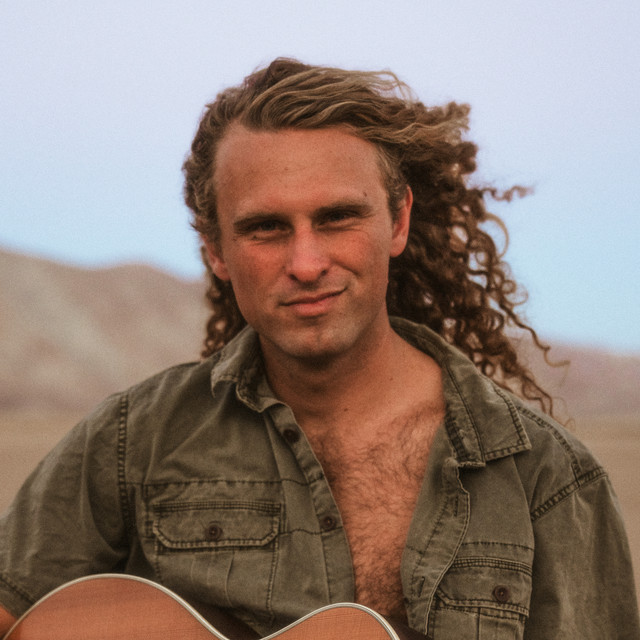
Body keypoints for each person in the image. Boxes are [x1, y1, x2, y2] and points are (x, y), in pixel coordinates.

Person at [0, 58, 638, 639]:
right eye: (265, 227)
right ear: (216, 250)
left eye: (337, 217)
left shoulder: (548, 479)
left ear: (398, 220)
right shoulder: (129, 443)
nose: (306, 264)